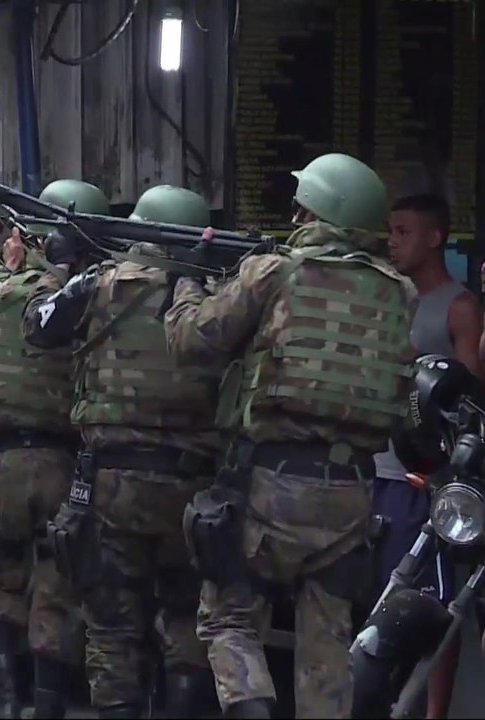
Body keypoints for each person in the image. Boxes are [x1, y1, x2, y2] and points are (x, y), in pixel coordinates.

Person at [162, 152, 415, 719]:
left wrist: (188, 279)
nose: (294, 218)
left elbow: (192, 341)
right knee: (327, 643)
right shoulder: (400, 292)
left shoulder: (274, 272)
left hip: (271, 484)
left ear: (315, 214)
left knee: (228, 618)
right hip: (352, 493)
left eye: (301, 208)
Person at [24, 185, 221, 718]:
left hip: (113, 484)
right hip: (191, 484)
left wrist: (56, 267)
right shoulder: (213, 295)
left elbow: (37, 325)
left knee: (112, 622)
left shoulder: (101, 283)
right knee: (186, 615)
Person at [0, 179, 109, 719]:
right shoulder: (96, 293)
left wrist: (8, 267)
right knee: (55, 586)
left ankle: (5, 701)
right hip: (63, 461)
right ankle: (47, 705)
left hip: (2, 461)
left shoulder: (6, 291)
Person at [372, 192, 481, 719]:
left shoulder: (458, 306)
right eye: (390, 231)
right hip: (379, 468)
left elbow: (470, 396)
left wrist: (422, 370)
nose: (393, 243)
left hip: (426, 479)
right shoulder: (387, 297)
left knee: (433, 602)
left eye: (404, 232)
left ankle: (434, 712)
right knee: (379, 596)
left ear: (435, 238)